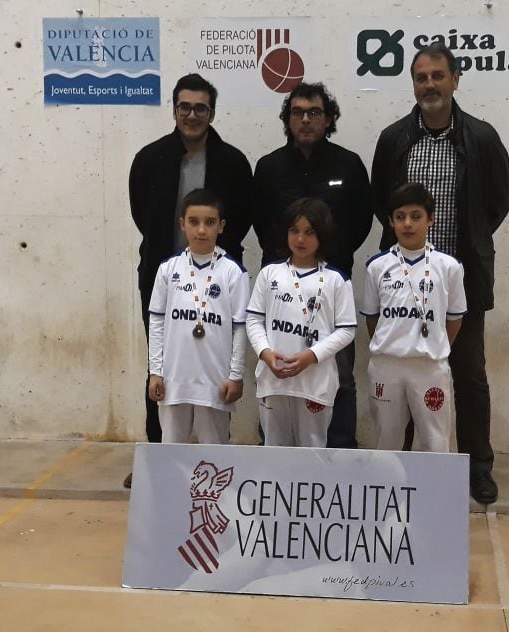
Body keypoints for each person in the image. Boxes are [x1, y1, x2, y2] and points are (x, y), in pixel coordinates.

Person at [370, 44, 509, 503]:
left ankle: (475, 470)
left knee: (468, 376)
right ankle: (405, 471)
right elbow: (381, 203)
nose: (428, 85)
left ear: (455, 79)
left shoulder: (482, 138)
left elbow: (497, 202)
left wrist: (462, 246)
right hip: (403, 280)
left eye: (437, 75)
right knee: (404, 375)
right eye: (420, 77)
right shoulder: (394, 140)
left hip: (458, 281)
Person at [127, 73, 253, 487]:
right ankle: (157, 460)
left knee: (215, 369)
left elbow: (242, 217)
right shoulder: (150, 158)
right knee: (160, 368)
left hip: (216, 280)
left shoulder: (232, 162)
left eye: (201, 107)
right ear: (175, 110)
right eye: (185, 106)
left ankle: (214, 465)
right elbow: (140, 212)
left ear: (212, 112)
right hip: (164, 274)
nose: (192, 114)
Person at [252, 82, 373, 449]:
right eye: (297, 112)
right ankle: (275, 450)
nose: (305, 119)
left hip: (331, 283)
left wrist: (329, 260)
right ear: (288, 119)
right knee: (279, 368)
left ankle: (340, 449)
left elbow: (361, 219)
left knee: (341, 373)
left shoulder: (348, 164)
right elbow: (260, 221)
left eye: (314, 112)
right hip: (281, 287)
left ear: (328, 119)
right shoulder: (269, 166)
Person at [361, 183, 466, 452]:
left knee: (436, 440)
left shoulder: (449, 267)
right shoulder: (377, 266)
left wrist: (434, 347)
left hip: (429, 367)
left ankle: (434, 493)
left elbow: (454, 319)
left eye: (416, 216)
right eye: (400, 217)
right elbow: (372, 319)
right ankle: (388, 491)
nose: (408, 224)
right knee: (387, 440)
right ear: (391, 221)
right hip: (387, 365)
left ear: (431, 219)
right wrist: (393, 344)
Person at [246, 198, 357, 447]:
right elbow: (254, 319)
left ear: (323, 235)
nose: (300, 239)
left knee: (313, 453)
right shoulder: (269, 274)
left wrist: (311, 355)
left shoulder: (336, 279)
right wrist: (265, 353)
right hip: (273, 381)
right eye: (294, 231)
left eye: (309, 232)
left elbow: (346, 330)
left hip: (315, 384)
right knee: (274, 452)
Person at [147, 189, 250, 444]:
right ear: (182, 224)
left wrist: (235, 376)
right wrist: (155, 372)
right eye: (193, 222)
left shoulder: (233, 272)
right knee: (171, 453)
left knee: (215, 456)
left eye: (210, 222)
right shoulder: (167, 270)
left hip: (214, 382)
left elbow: (240, 328)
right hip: (174, 380)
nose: (201, 230)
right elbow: (157, 323)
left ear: (221, 226)